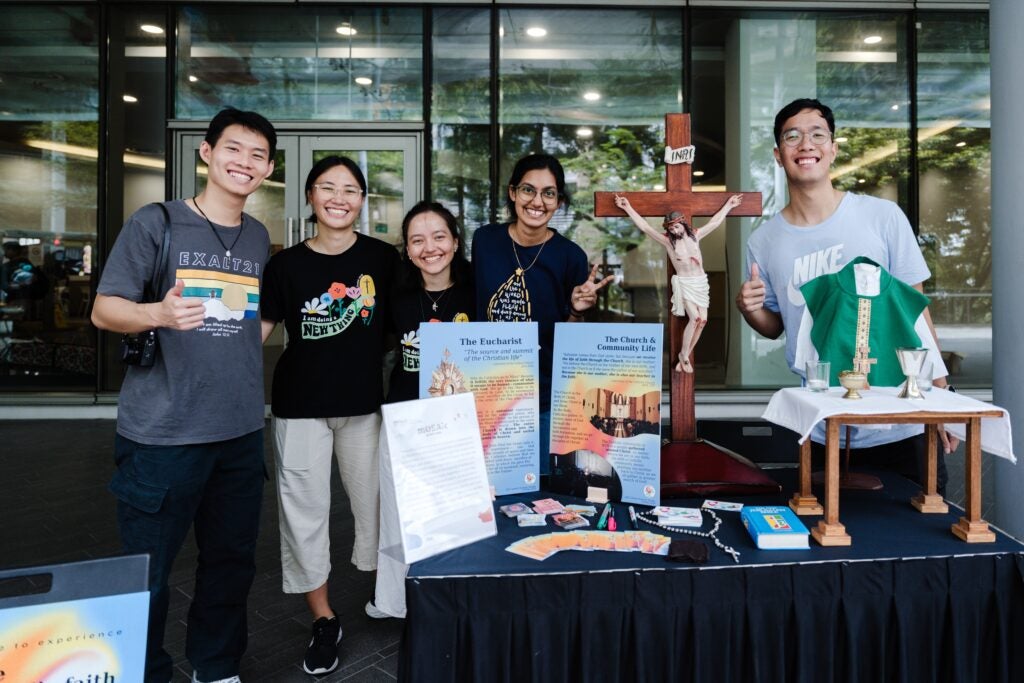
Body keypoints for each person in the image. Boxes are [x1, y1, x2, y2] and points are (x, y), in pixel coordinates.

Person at [91, 108, 277, 683]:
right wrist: (157, 314)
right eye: (234, 149)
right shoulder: (157, 222)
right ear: (206, 152)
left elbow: (249, 322)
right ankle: (144, 671)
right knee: (148, 570)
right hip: (163, 436)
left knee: (230, 562)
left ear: (268, 168)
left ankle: (215, 665)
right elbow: (104, 309)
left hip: (241, 433)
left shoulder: (258, 235)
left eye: (257, 156)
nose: (244, 163)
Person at [735, 97, 957, 492]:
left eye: (818, 134)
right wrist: (750, 311)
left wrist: (942, 397)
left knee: (920, 531)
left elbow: (916, 312)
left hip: (901, 418)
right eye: (793, 136)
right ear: (777, 153)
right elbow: (775, 327)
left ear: (833, 149)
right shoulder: (764, 240)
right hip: (822, 422)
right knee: (829, 536)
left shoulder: (880, 217)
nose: (806, 144)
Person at [259, 155, 399, 676]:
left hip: (364, 407)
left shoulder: (385, 260)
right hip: (299, 408)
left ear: (363, 201)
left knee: (375, 507)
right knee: (304, 512)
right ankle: (323, 618)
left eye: (350, 189)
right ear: (311, 197)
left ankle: (382, 591)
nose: (339, 197)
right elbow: (258, 331)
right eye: (327, 187)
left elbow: (414, 312)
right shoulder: (285, 265)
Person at [472, 153, 613, 476]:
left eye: (549, 193)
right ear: (512, 193)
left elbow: (573, 345)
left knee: (541, 492)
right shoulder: (484, 241)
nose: (537, 201)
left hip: (545, 397)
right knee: (492, 490)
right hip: (489, 393)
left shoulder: (570, 257)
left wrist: (577, 311)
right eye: (528, 190)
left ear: (559, 202)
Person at [374, 200, 474, 619]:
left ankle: (457, 600)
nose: (429, 248)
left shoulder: (477, 290)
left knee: (460, 516)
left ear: (454, 241)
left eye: (438, 237)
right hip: (406, 418)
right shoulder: (396, 295)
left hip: (462, 421)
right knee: (400, 516)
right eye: (417, 240)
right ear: (407, 249)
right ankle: (397, 602)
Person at [614, 193, 742, 373]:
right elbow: (645, 227)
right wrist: (627, 207)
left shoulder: (696, 236)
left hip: (700, 282)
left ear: (682, 223)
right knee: (695, 318)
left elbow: (714, 223)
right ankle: (684, 355)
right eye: (671, 229)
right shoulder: (668, 242)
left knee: (703, 321)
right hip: (685, 283)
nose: (674, 231)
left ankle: (684, 356)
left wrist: (729, 205)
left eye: (676, 227)